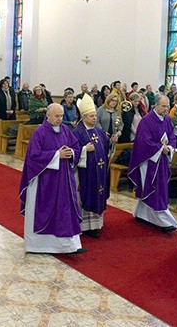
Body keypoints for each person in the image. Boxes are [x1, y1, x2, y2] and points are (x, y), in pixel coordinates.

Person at [19, 103, 85, 254]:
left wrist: (71, 153)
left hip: (64, 180)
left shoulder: (65, 130)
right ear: (47, 115)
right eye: (57, 116)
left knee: (65, 210)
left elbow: (75, 146)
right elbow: (33, 157)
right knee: (46, 211)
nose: (60, 119)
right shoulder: (39, 133)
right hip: (45, 181)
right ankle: (40, 246)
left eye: (61, 116)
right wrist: (57, 155)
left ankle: (68, 245)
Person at [127, 95, 177, 231]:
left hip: (162, 160)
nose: (166, 109)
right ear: (155, 105)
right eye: (163, 106)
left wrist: (170, 148)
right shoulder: (147, 121)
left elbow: (172, 136)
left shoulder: (167, 119)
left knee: (159, 187)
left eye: (167, 106)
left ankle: (142, 213)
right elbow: (143, 142)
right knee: (152, 187)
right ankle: (162, 220)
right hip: (149, 160)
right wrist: (161, 148)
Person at [73, 94, 111, 238]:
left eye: (95, 115)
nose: (95, 118)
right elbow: (73, 152)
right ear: (83, 117)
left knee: (98, 193)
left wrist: (111, 141)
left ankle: (95, 225)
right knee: (86, 195)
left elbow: (105, 146)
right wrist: (84, 150)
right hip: (85, 174)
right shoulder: (77, 133)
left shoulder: (99, 132)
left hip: (98, 173)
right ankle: (83, 225)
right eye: (91, 116)